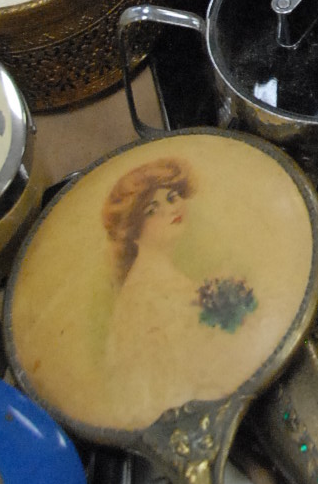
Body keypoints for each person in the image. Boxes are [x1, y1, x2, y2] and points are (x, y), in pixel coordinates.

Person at [100, 157, 260, 422]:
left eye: (172, 197)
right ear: (133, 232)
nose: (170, 209)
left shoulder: (164, 278)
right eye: (152, 209)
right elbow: (179, 380)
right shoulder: (145, 297)